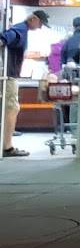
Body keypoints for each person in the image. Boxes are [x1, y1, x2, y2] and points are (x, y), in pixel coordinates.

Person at [1, 10, 49, 157]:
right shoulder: (20, 30)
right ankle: (7, 147)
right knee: (12, 108)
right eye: (40, 24)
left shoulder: (20, 29)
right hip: (8, 75)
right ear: (33, 19)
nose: (40, 27)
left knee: (9, 108)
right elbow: (3, 39)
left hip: (8, 73)